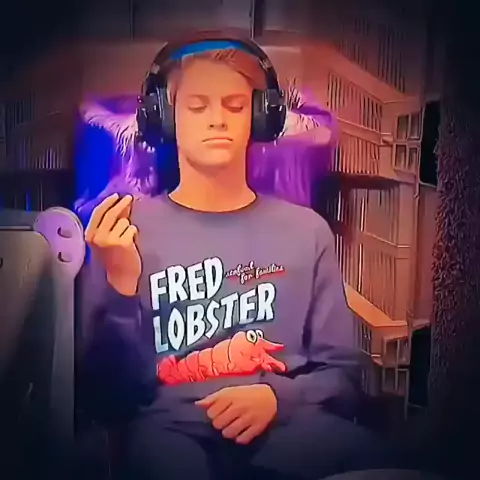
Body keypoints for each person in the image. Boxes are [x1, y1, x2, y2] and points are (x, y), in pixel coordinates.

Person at [79, 38, 396, 480]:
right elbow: (106, 401)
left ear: (261, 116)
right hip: (167, 438)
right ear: (164, 118)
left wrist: (279, 399)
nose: (217, 119)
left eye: (235, 105)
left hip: (292, 430)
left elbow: (344, 379)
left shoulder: (307, 231)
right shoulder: (124, 231)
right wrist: (119, 287)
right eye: (197, 106)